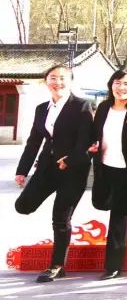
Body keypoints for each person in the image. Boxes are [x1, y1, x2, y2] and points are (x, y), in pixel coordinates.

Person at [14, 64, 94, 283]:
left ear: (70, 81)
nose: (57, 82)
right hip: (47, 167)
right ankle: (57, 263)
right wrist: (22, 171)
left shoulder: (82, 105)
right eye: (52, 78)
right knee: (23, 206)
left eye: (62, 78)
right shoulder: (42, 108)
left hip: (73, 170)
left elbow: (86, 140)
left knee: (60, 218)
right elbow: (34, 141)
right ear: (46, 81)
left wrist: (69, 159)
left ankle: (57, 266)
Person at [88, 69, 127, 279]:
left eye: (126, 84)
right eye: (117, 83)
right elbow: (94, 133)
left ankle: (113, 266)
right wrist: (92, 146)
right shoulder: (103, 108)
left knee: (119, 219)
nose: (121, 88)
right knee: (100, 203)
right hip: (104, 168)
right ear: (111, 85)